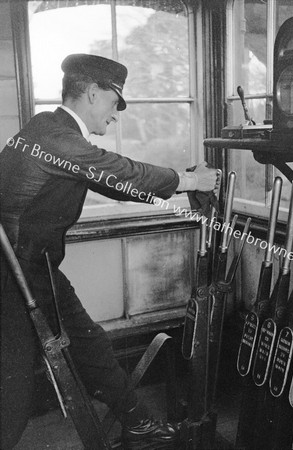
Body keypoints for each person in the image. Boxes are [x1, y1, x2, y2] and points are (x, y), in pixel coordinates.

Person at [0, 54, 220, 449]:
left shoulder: (49, 132)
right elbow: (119, 172)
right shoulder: (56, 137)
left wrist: (180, 185)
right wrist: (190, 180)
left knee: (88, 342)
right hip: (15, 275)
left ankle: (137, 423)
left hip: (33, 267)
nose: (116, 115)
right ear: (92, 91)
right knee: (11, 390)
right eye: (115, 103)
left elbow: (111, 182)